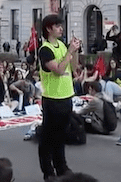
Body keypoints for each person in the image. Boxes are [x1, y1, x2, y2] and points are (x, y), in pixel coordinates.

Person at [37, 14, 80, 181]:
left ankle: (61, 166)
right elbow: (59, 69)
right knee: (48, 137)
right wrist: (69, 52)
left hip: (66, 96)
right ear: (49, 28)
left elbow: (73, 67)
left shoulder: (62, 45)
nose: (61, 28)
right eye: (57, 26)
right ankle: (48, 171)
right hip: (52, 99)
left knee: (61, 136)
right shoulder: (45, 49)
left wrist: (74, 51)